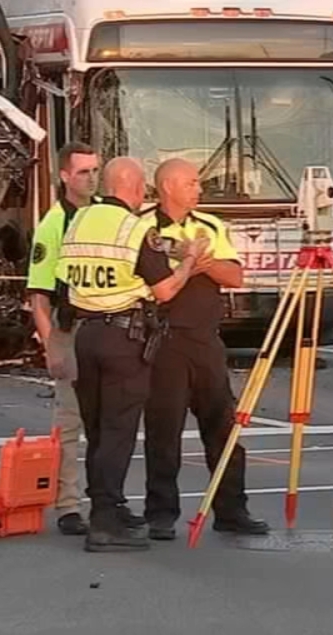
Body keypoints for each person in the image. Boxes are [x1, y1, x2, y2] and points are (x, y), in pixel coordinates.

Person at [57, 156, 201, 551]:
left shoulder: (80, 221)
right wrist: (189, 259)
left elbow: (63, 276)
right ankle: (105, 523)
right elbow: (165, 290)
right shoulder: (134, 227)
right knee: (119, 431)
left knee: (98, 429)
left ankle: (109, 505)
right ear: (135, 189)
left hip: (85, 334)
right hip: (123, 337)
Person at [140, 158, 271, 541]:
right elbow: (152, 281)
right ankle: (160, 513)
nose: (198, 189)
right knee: (164, 430)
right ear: (167, 186)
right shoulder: (144, 227)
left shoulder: (210, 226)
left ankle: (232, 509)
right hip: (163, 338)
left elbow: (234, 275)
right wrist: (190, 262)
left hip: (205, 338)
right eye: (191, 183)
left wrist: (197, 261)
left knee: (223, 426)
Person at [25, 141, 100, 537]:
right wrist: (51, 344)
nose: (91, 178)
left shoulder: (107, 213)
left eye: (94, 170)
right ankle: (69, 504)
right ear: (65, 176)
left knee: (108, 421)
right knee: (70, 422)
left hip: (108, 326)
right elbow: (39, 294)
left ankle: (106, 500)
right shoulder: (54, 224)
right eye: (83, 171)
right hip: (71, 328)